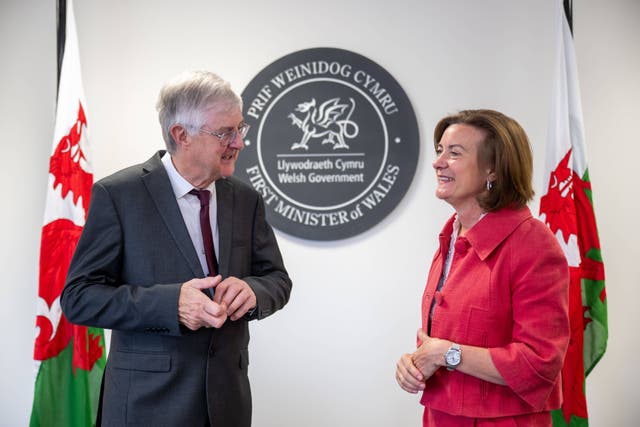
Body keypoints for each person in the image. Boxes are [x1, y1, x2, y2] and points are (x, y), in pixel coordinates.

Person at [61, 70, 292, 427]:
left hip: (227, 403)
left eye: (240, 128)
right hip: (146, 406)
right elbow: (79, 297)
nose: (239, 143)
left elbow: (276, 278)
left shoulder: (246, 199)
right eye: (225, 132)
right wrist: (172, 305)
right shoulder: (118, 196)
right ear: (181, 135)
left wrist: (254, 291)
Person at [395, 109, 570, 426]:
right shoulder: (451, 235)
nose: (438, 162)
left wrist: (445, 353)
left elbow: (540, 363)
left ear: (493, 170)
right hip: (441, 416)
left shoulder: (532, 244)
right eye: (440, 151)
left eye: (455, 153)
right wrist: (415, 361)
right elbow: (448, 336)